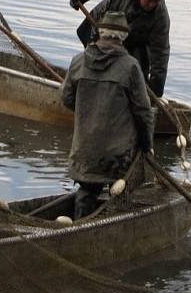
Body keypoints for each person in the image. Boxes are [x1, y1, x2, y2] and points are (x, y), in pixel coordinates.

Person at [60, 11, 155, 220]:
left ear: (100, 33)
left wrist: (89, 111)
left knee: (87, 190)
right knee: (124, 191)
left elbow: (66, 98)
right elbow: (143, 112)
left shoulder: (78, 61)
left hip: (85, 149)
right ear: (123, 38)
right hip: (118, 154)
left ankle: (79, 226)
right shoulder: (130, 66)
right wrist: (147, 145)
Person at [69, 0, 170, 96]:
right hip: (102, 25)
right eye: (149, 0)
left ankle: (130, 98)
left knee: (136, 74)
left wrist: (156, 91)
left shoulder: (161, 18)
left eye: (156, 1)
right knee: (97, 60)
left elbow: (161, 54)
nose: (152, 4)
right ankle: (88, 90)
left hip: (134, 39)